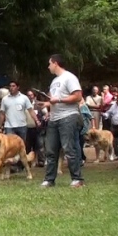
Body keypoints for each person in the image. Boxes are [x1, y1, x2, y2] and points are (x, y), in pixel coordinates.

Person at [38, 54, 84, 188]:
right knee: (51, 150)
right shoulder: (54, 81)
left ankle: (77, 179)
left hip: (68, 117)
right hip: (54, 118)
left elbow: (77, 96)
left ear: (55, 63)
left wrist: (57, 100)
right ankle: (49, 180)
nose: (48, 67)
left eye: (49, 64)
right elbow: (55, 99)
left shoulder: (69, 78)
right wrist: (47, 104)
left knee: (69, 149)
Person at [103, 92, 118, 160]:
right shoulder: (113, 105)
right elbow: (108, 113)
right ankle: (117, 155)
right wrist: (105, 115)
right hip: (114, 127)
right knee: (114, 142)